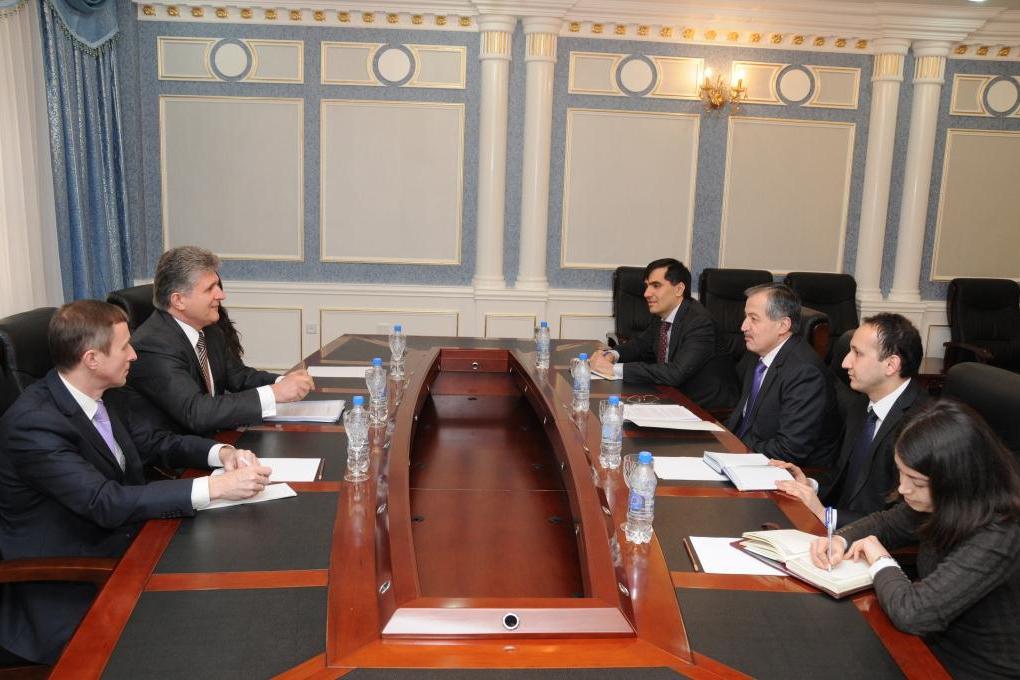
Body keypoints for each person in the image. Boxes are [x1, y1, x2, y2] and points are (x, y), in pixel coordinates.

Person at [0, 300, 272, 664]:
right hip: (70, 582)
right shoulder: (33, 425)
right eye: (125, 347)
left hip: (130, 544)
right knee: (207, 631)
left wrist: (220, 453)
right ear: (92, 359)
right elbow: (104, 501)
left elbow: (156, 442)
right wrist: (216, 487)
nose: (134, 355)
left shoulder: (104, 394)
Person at [811, 400, 1020, 679]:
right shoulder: (944, 500)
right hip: (924, 643)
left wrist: (880, 559)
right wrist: (840, 540)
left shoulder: (1002, 532)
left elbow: (913, 614)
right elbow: (886, 523)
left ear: (956, 480)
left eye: (917, 482)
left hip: (970, 667)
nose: (903, 488)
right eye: (901, 472)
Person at [129, 246, 315, 434]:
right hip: (183, 449)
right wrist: (274, 393)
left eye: (217, 285)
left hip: (218, 438)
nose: (221, 295)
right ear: (178, 301)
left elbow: (238, 377)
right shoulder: (154, 346)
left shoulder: (208, 329)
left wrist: (283, 381)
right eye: (210, 289)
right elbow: (196, 412)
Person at [773, 314, 930, 527]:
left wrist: (827, 516)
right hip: (837, 526)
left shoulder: (922, 424)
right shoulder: (861, 404)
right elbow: (842, 476)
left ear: (891, 365)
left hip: (871, 538)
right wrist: (809, 484)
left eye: (857, 353)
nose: (845, 362)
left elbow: (906, 519)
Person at [588, 258, 739, 410]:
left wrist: (614, 369)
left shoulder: (699, 322)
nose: (646, 293)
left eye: (656, 286)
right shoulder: (662, 315)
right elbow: (639, 346)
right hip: (672, 393)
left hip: (705, 406)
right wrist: (612, 355)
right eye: (647, 286)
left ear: (679, 289)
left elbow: (675, 373)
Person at [725, 283, 839, 466]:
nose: (743, 326)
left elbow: (789, 449)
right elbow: (742, 415)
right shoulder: (757, 352)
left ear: (783, 325)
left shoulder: (805, 373)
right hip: (746, 452)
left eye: (754, 319)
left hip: (787, 471)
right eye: (746, 317)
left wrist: (736, 451)